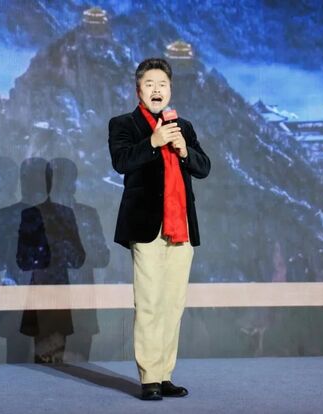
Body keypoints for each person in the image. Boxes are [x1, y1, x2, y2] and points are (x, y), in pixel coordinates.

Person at [108, 57, 210, 400]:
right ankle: (149, 377)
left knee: (173, 304)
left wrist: (184, 151)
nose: (157, 90)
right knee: (150, 302)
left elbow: (204, 167)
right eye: (150, 84)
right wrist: (153, 141)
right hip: (146, 226)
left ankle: (165, 374)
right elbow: (121, 161)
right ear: (138, 89)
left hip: (181, 226)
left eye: (162, 84)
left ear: (170, 90)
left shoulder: (183, 126)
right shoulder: (123, 124)